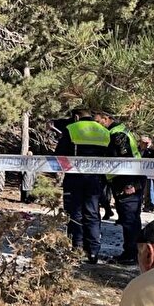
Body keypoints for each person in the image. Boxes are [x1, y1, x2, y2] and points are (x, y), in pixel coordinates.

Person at [55, 108, 110, 263]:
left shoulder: (72, 128)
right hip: (96, 179)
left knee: (75, 214)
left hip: (75, 178)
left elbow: (59, 154)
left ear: (76, 117)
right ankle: (93, 252)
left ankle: (76, 248)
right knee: (92, 214)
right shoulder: (104, 131)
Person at [97, 108, 142, 265]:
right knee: (127, 218)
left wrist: (130, 184)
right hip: (122, 180)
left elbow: (126, 159)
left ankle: (132, 253)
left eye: (98, 121)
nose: (97, 125)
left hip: (127, 181)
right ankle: (131, 251)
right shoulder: (118, 131)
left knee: (130, 219)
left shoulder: (117, 134)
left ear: (106, 118)